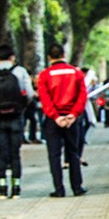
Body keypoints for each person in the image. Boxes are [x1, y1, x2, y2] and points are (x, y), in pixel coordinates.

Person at [0, 45, 34, 199]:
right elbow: (29, 93)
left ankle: (2, 188)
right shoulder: (20, 71)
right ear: (12, 56)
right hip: (16, 116)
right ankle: (16, 187)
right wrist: (21, 106)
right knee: (15, 153)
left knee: (1, 153)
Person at [37, 43, 88, 198]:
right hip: (72, 120)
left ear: (49, 57)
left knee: (54, 155)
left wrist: (56, 116)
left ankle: (59, 189)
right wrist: (73, 114)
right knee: (73, 153)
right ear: (64, 55)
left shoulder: (45, 75)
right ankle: (77, 187)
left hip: (54, 120)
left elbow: (45, 100)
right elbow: (82, 96)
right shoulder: (76, 73)